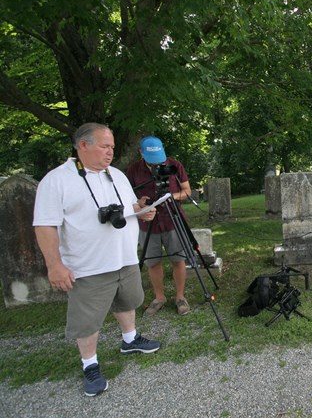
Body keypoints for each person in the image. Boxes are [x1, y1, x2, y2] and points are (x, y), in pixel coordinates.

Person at [33, 123, 162, 397]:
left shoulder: (116, 175)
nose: (110, 153)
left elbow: (129, 208)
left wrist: (142, 211)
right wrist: (54, 265)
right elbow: (45, 226)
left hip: (124, 259)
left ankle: (130, 339)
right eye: (104, 146)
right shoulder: (57, 180)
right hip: (88, 265)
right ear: (83, 145)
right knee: (88, 319)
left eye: (112, 147)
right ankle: (89, 364)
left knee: (127, 301)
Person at [126, 136, 192, 316]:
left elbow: (187, 191)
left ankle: (180, 297)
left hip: (172, 219)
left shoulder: (174, 165)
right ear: (141, 153)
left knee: (178, 258)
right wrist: (139, 202)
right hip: (147, 223)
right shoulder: (133, 170)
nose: (157, 164)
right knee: (153, 262)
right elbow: (127, 197)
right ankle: (159, 297)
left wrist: (171, 197)